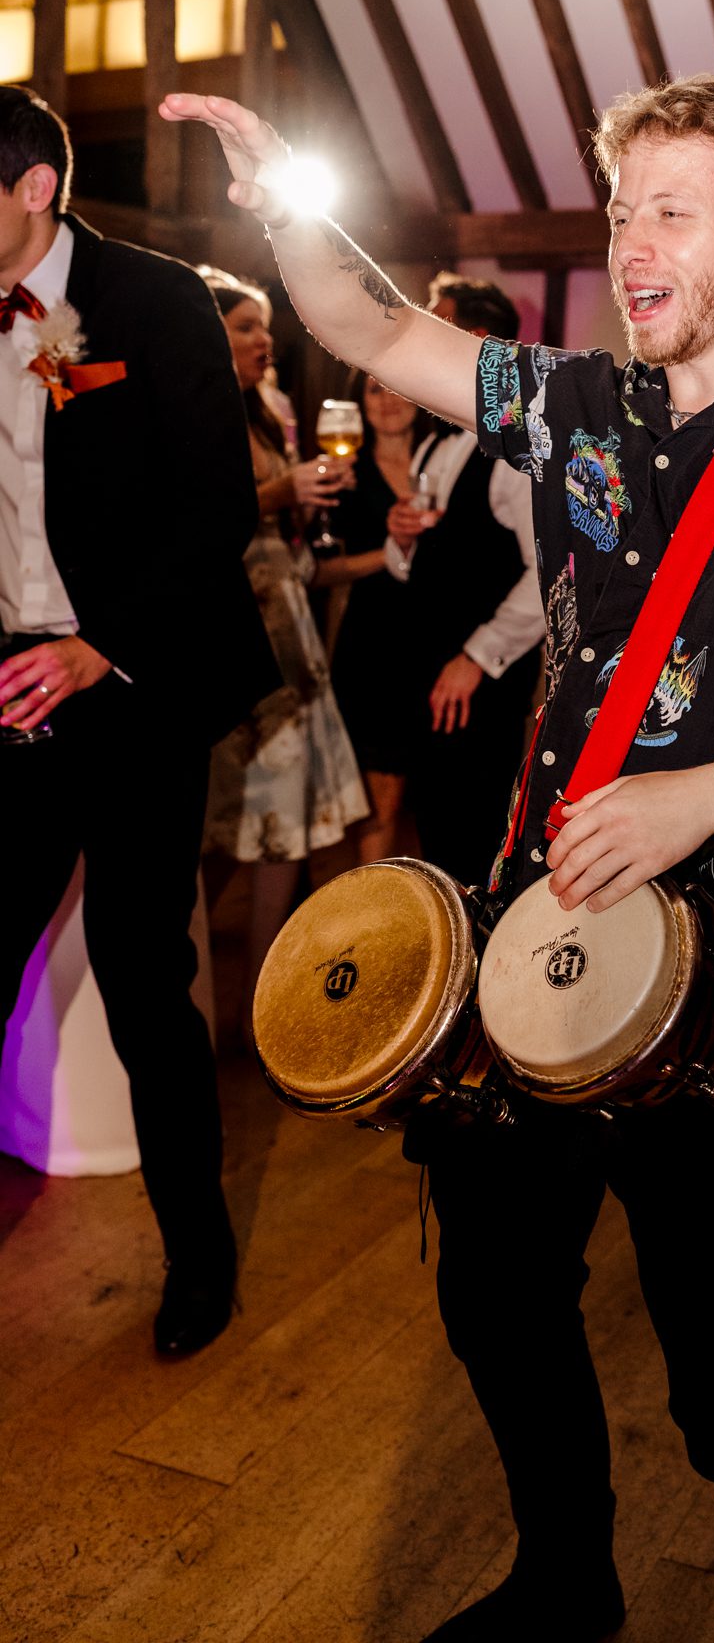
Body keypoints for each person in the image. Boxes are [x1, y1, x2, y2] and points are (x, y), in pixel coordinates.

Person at [162, 73, 714, 1643]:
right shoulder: (582, 404)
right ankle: (565, 1581)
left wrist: (707, 796)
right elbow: (373, 324)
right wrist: (284, 204)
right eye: (619, 214)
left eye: (671, 210)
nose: (632, 245)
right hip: (533, 940)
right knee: (495, 1290)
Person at [0, 87, 276, 1356]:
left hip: (129, 687)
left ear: (34, 189)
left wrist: (99, 643)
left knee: (140, 981)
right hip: (9, 689)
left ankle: (199, 1257)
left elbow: (218, 504)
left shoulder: (154, 300)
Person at [201, 271, 369, 975]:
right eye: (246, 327)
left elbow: (282, 536)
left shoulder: (265, 411)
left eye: (266, 327)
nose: (264, 340)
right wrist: (279, 491)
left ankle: (261, 993)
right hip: (229, 629)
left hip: (286, 630)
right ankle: (198, 974)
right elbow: (202, 519)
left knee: (286, 824)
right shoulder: (192, 410)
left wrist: (308, 505)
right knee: (221, 824)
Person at [379, 274, 545, 889]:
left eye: (435, 322)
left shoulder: (515, 452)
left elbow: (549, 576)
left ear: (472, 339)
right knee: (434, 831)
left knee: (476, 839)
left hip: (480, 684)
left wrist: (477, 656)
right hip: (426, 673)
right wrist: (401, 540)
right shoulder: (433, 447)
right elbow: (414, 567)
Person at [328, 371, 437, 863]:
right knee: (381, 800)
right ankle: (371, 902)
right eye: (374, 390)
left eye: (394, 385)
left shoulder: (444, 458)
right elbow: (318, 570)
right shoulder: (343, 473)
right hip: (374, 648)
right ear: (359, 403)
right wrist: (391, 553)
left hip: (439, 643)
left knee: (438, 796)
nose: (388, 399)